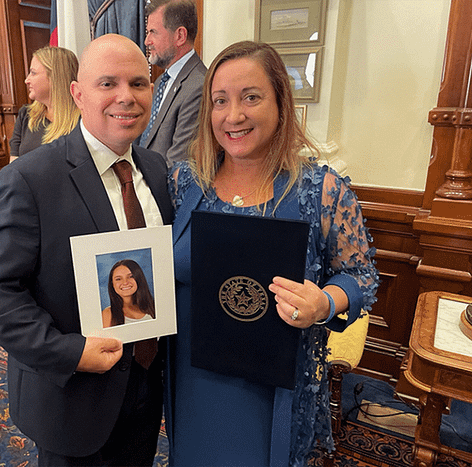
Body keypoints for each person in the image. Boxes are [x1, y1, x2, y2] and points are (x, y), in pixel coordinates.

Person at [165, 40, 378, 466]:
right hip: (192, 380)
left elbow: (362, 276)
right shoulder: (184, 182)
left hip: (275, 385)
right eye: (219, 101)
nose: (233, 115)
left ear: (281, 101)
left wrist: (324, 302)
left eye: (251, 98)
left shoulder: (320, 190)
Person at [0, 34, 173, 465]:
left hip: (148, 385)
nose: (126, 97)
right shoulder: (30, 178)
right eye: (107, 84)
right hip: (73, 397)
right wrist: (70, 353)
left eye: (138, 83)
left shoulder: (154, 168)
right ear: (77, 93)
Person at [138, 0, 206, 163]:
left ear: (180, 36)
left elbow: (178, 163)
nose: (147, 41)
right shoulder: (162, 80)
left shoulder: (199, 86)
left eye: (153, 32)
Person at [13, 46, 79, 158]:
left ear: (55, 77)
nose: (26, 80)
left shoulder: (84, 120)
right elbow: (13, 166)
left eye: (33, 73)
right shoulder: (26, 114)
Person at [101, 259, 155, 327]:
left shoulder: (154, 307)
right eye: (118, 279)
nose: (125, 282)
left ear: (139, 278)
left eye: (131, 276)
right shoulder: (107, 315)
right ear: (112, 284)